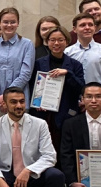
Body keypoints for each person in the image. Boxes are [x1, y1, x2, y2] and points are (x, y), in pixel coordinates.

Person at [29, 26, 85, 155]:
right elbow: (32, 87)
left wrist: (68, 73)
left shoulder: (75, 65)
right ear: (47, 42)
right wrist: (37, 102)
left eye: (60, 40)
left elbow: (81, 88)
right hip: (43, 112)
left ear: (67, 41)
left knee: (64, 149)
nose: (56, 43)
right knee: (42, 147)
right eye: (52, 40)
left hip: (66, 112)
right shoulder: (38, 63)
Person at [0, 7, 34, 123]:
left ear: (18, 23)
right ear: (0, 23)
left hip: (18, 100)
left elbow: (25, 74)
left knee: (18, 133)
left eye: (12, 22)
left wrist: (7, 97)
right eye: (5, 22)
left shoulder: (27, 44)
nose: (9, 25)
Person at [65, 12, 101, 91]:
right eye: (82, 25)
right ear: (74, 29)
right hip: (74, 95)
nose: (87, 28)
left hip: (97, 95)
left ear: (94, 28)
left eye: (90, 25)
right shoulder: (67, 52)